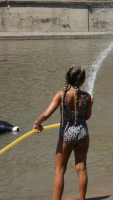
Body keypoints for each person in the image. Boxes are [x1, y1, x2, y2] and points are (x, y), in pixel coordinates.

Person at [33, 66, 93, 200]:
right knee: (81, 168)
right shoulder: (87, 97)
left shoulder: (61, 95)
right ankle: (82, 199)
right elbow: (87, 116)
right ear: (82, 80)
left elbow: (46, 114)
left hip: (66, 135)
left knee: (59, 171)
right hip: (83, 134)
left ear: (68, 78)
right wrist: (91, 104)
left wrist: (37, 124)